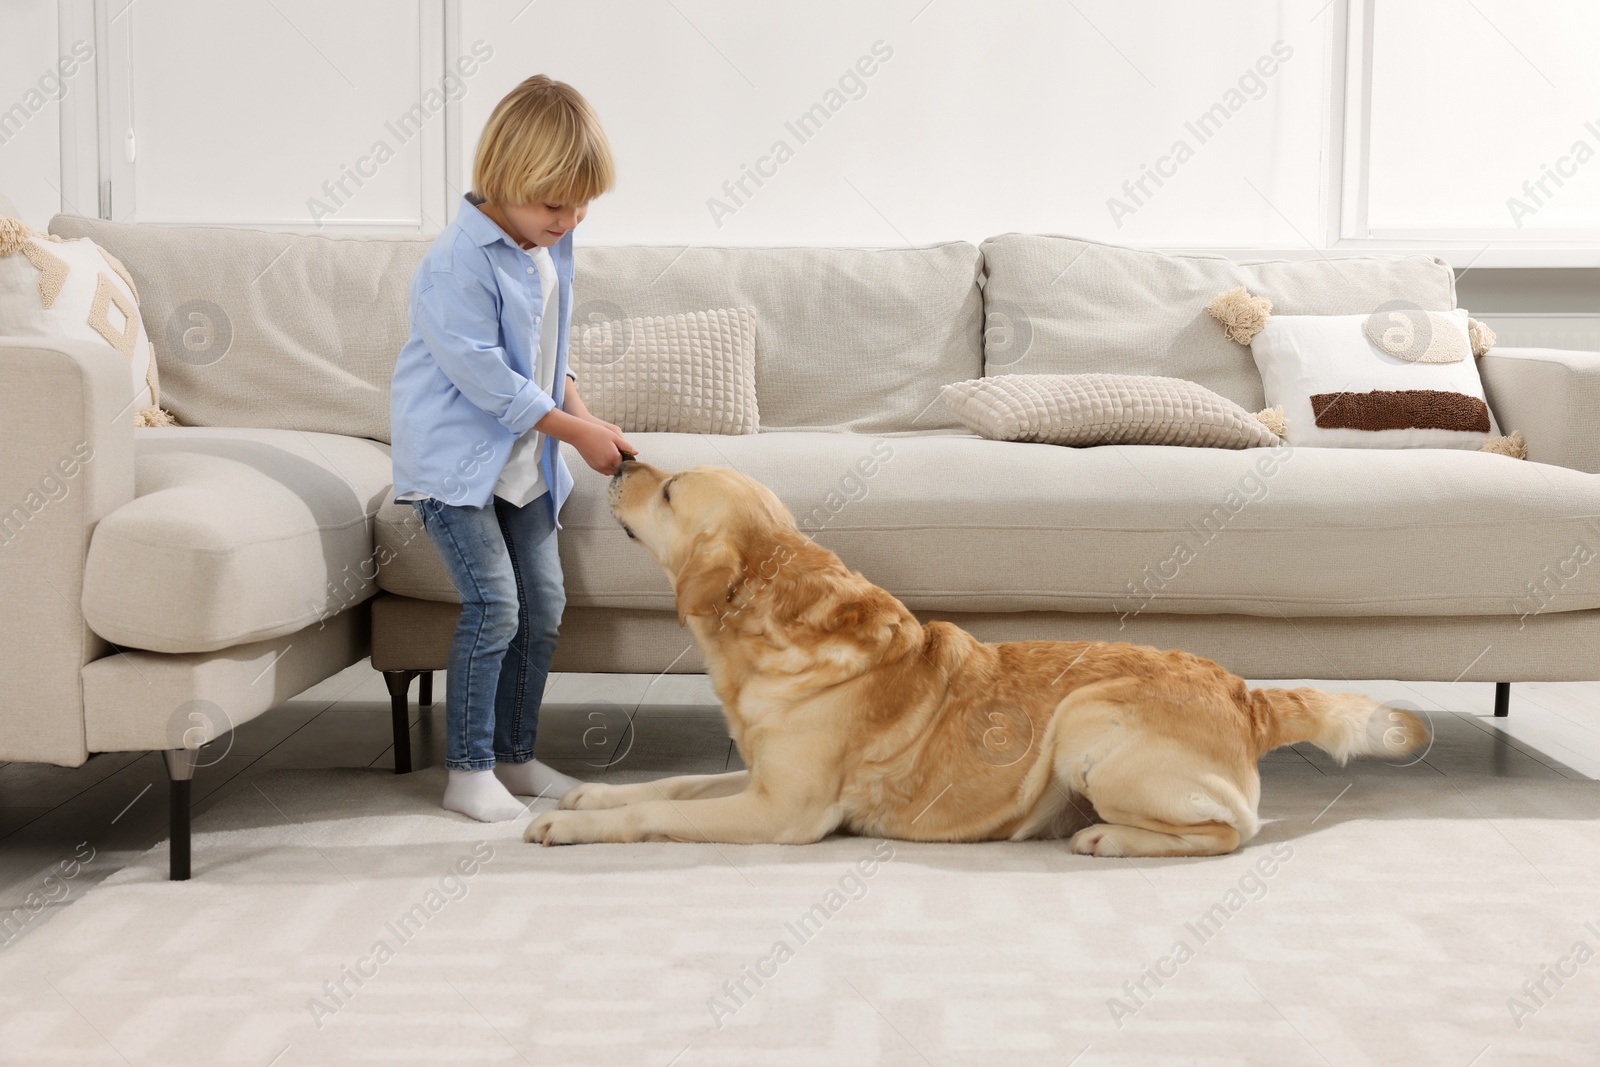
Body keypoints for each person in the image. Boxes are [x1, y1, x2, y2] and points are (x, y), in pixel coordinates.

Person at [389, 74, 635, 822]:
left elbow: (542, 349)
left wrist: (581, 408)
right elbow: (489, 381)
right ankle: (467, 771)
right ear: (503, 180)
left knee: (544, 606)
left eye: (582, 202)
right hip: (455, 468)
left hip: (524, 468)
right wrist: (576, 432)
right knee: (495, 605)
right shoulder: (456, 263)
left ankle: (513, 755)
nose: (570, 218)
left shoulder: (548, 244)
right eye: (555, 204)